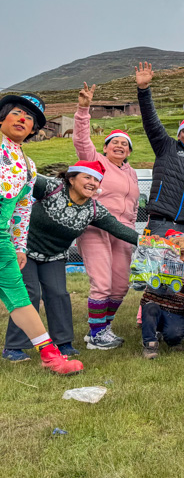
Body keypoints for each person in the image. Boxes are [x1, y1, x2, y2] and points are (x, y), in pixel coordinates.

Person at [3, 160, 139, 361]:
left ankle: (63, 343)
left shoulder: (93, 209)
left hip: (55, 256)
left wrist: (148, 242)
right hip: (24, 251)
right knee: (29, 293)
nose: (92, 182)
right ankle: (14, 347)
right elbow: (22, 176)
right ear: (72, 178)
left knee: (59, 294)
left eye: (97, 180)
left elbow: (119, 229)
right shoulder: (51, 187)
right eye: (87, 177)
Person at [0, 92, 83, 373]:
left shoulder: (29, 166)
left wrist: (19, 246)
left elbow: (23, 211)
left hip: (2, 242)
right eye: (16, 113)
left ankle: (51, 356)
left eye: (30, 118)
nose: (23, 119)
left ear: (35, 129)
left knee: (19, 297)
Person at [73, 82, 140, 349]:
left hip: (122, 231)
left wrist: (132, 226)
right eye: (114, 142)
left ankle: (104, 327)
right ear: (106, 146)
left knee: (120, 284)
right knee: (101, 282)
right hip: (96, 227)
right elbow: (81, 139)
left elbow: (134, 205)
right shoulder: (95, 162)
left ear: (130, 151)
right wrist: (83, 108)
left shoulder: (132, 173)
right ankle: (95, 334)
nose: (119, 146)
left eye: (125, 144)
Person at [134, 62, 184, 252]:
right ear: (178, 135)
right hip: (159, 224)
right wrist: (144, 90)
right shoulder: (166, 147)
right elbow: (151, 121)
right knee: (153, 277)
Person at [140, 231, 184, 359]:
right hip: (155, 305)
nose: (183, 259)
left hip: (174, 311)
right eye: (179, 254)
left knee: (175, 336)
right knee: (150, 308)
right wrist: (155, 242)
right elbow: (147, 253)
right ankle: (150, 344)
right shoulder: (158, 265)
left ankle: (170, 336)